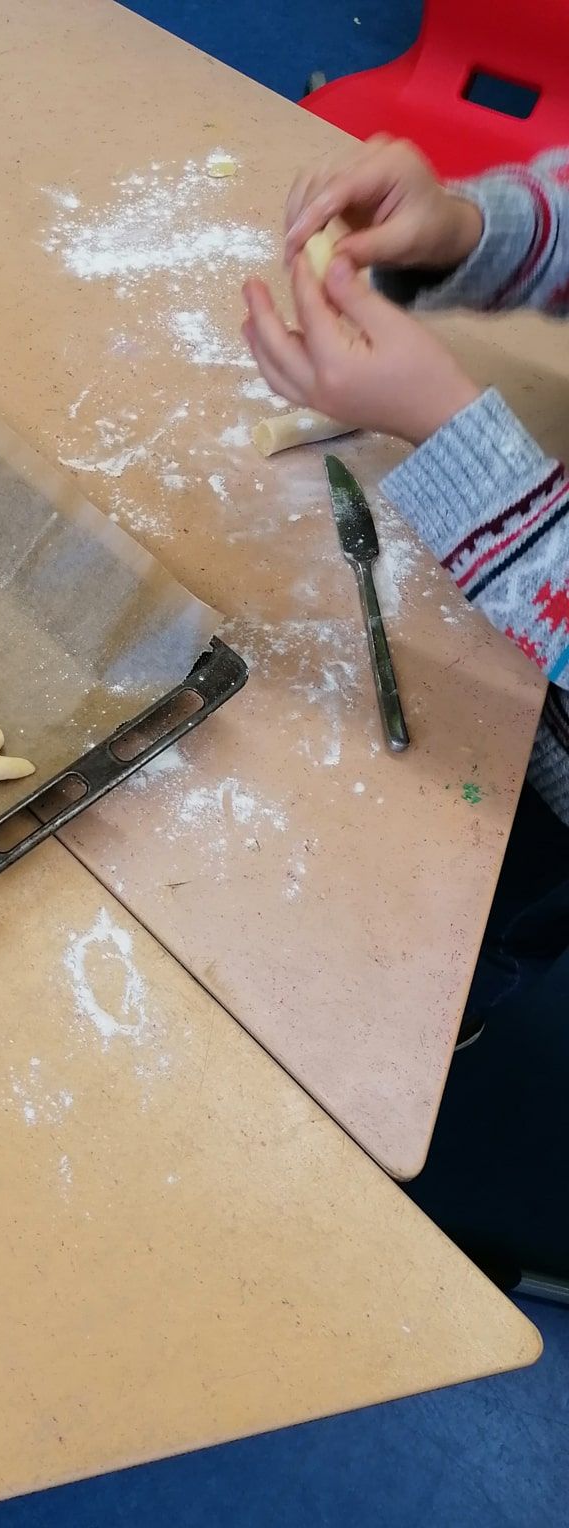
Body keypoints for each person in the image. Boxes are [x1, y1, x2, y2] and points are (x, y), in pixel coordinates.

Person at [240, 136, 569, 1045]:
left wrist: (460, 441)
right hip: (523, 674)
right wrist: (468, 230)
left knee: (495, 918)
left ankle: (437, 1024)